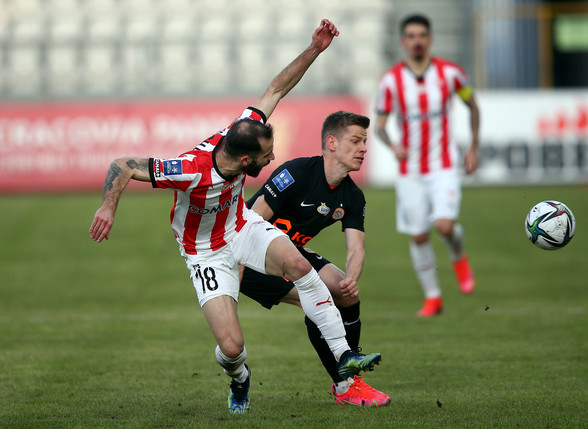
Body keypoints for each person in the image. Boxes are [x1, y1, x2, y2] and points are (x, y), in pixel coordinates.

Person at [89, 19, 382, 415]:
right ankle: (240, 379)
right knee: (231, 348)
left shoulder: (244, 128)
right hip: (204, 253)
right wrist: (108, 205)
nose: (272, 158)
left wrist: (315, 48)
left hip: (240, 226)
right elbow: (123, 163)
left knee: (297, 262)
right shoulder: (189, 170)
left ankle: (346, 358)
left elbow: (276, 88)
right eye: (266, 156)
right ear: (245, 161)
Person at [240, 111, 390, 407]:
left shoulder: (353, 196)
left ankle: (350, 377)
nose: (364, 148)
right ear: (331, 142)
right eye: (356, 141)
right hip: (246, 257)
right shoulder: (296, 173)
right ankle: (346, 385)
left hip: (290, 255)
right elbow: (252, 223)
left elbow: (356, 248)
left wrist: (351, 280)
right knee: (318, 297)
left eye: (365, 142)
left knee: (343, 293)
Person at [375, 14, 480, 317]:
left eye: (422, 35)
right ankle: (433, 298)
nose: (417, 40)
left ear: (430, 39)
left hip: (443, 165)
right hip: (410, 170)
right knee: (419, 235)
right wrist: (392, 144)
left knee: (444, 225)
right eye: (411, 35)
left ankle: (458, 256)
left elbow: (472, 105)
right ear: (402, 42)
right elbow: (380, 125)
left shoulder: (451, 75)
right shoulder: (390, 81)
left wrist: (473, 145)